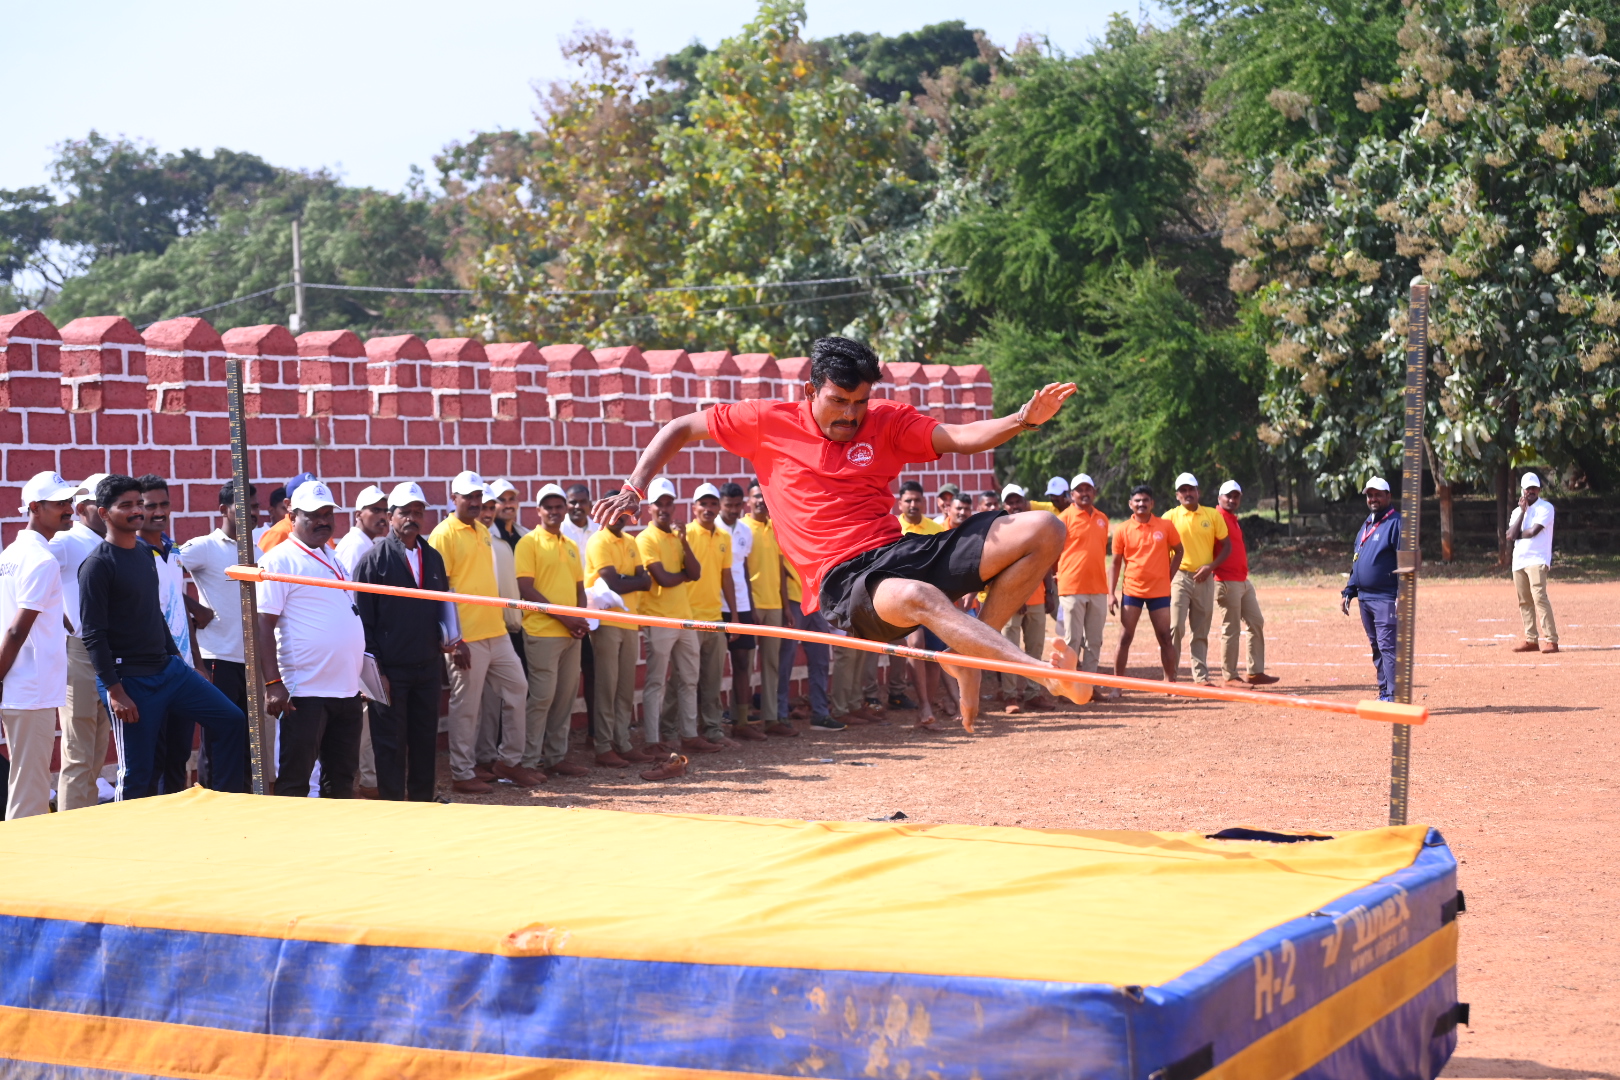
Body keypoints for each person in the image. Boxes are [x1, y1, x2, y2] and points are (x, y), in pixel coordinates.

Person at [595, 335, 1084, 732]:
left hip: (902, 550)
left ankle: (966, 654)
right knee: (919, 596)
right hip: (846, 581)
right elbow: (679, 427)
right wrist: (633, 489)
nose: (851, 415)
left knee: (1044, 527)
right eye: (839, 401)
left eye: (860, 402)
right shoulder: (767, 422)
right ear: (810, 392)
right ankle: (1041, 673)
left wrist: (1022, 420)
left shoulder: (886, 421)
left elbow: (960, 438)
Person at [81, 475, 246, 800]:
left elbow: (155, 616)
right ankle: (129, 842)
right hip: (129, 680)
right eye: (125, 505)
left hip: (168, 670)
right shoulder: (97, 565)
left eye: (138, 503)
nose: (137, 510)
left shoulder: (145, 555)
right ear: (104, 513)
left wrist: (182, 663)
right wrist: (115, 691)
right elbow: (93, 635)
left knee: (231, 720)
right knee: (137, 775)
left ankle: (227, 809)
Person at [255, 480, 368, 798]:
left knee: (342, 779)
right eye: (314, 515)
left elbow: (348, 616)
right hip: (304, 690)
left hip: (346, 689)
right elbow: (264, 625)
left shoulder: (333, 556)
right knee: (295, 779)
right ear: (293, 515)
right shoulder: (279, 560)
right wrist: (272, 683)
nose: (323, 520)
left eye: (328, 513)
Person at [355, 482, 466, 801]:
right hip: (391, 671)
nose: (412, 518)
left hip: (428, 666)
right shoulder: (373, 561)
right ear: (391, 516)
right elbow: (364, 621)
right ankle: (393, 806)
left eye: (418, 512)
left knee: (424, 738)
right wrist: (377, 674)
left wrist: (450, 638)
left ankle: (422, 801)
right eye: (405, 512)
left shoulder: (432, 558)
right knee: (389, 742)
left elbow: (443, 606)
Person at [429, 470, 535, 793]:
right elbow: (439, 591)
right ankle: (462, 773)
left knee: (518, 687)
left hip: (496, 630)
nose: (476, 503)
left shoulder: (483, 531)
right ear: (454, 498)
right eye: (470, 498)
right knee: (466, 707)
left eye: (480, 498)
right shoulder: (443, 535)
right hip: (466, 638)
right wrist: (453, 639)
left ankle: (508, 762)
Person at [0, 472, 77, 818]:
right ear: (34, 507)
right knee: (29, 794)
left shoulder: (11, 554)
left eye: (68, 501)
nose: (68, 509)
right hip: (29, 688)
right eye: (59, 503)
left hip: (21, 686)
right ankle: (21, 867)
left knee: (24, 782)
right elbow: (16, 631)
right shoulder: (41, 560)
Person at [177, 479, 261, 792]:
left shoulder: (258, 549)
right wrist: (195, 608)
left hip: (250, 661)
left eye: (256, 507)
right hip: (216, 658)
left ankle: (242, 805)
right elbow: (160, 573)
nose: (253, 513)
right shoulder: (204, 547)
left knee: (247, 742)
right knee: (218, 740)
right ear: (223, 509)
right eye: (245, 506)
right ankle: (214, 804)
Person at [139, 474, 211, 794]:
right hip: (151, 672)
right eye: (149, 505)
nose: (158, 511)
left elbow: (178, 613)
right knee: (151, 759)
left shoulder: (172, 548)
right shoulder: (133, 553)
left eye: (164, 504)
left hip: (182, 671)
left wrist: (198, 663)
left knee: (179, 756)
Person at [514, 484, 590, 777]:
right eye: (549, 507)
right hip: (542, 632)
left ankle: (556, 757)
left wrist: (580, 618)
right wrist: (566, 618)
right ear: (539, 511)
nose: (555, 512)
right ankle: (529, 761)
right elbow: (525, 588)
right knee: (542, 698)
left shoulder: (570, 545)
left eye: (559, 507)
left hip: (572, 634)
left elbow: (579, 588)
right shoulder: (528, 543)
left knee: (565, 698)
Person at [635, 478, 714, 755]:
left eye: (669, 503)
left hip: (684, 617)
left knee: (689, 679)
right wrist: (682, 576)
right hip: (658, 619)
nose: (665, 509)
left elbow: (696, 573)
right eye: (660, 504)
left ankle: (689, 734)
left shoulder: (676, 536)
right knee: (656, 681)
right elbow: (664, 579)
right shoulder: (644, 538)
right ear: (650, 508)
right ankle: (652, 740)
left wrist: (683, 541)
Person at [51, 473, 112, 811]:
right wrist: (59, 620)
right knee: (78, 752)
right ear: (87, 508)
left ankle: (87, 827)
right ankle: (71, 830)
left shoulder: (109, 543)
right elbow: (26, 582)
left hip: (108, 652)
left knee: (96, 750)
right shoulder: (66, 543)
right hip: (79, 651)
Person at [583, 490, 656, 767]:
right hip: (607, 622)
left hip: (629, 620)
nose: (619, 516)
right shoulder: (598, 540)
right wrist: (629, 580)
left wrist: (627, 580)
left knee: (626, 685)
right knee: (607, 684)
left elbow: (646, 581)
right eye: (613, 510)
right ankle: (603, 745)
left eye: (623, 511)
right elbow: (614, 583)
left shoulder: (631, 541)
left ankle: (622, 741)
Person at [1108, 485, 1184, 696]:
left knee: (1165, 638)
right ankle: (1117, 685)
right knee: (1125, 637)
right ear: (1130, 504)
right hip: (1132, 591)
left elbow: (1179, 551)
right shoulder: (1122, 529)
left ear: (1152, 504)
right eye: (1137, 501)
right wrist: (1111, 593)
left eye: (1146, 500)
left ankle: (1170, 683)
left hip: (1159, 592)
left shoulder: (1166, 526)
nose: (1142, 504)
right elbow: (1114, 564)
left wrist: (1169, 575)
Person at [682, 482, 739, 748]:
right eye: (703, 504)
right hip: (688, 619)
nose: (708, 508)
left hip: (715, 618)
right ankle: (678, 731)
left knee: (713, 678)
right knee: (685, 681)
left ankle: (713, 729)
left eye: (712, 504)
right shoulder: (684, 534)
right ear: (694, 508)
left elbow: (726, 578)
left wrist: (734, 618)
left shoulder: (724, 537)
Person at [477, 483, 527, 776]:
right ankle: (482, 759)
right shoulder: (478, 539)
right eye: (482, 505)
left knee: (513, 691)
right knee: (484, 701)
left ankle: (506, 761)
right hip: (478, 630)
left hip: (509, 626)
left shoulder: (511, 540)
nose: (489, 511)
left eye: (489, 506)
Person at [994, 484, 1058, 713]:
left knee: (1035, 649)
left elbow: (1047, 562)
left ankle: (1033, 693)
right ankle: (1010, 696)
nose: (1015, 506)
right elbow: (998, 570)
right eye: (1010, 502)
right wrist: (1015, 596)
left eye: (1018, 501)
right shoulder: (999, 532)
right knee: (1009, 649)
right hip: (1010, 602)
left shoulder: (1036, 527)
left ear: (1025, 502)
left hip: (1038, 598)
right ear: (1004, 506)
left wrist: (1049, 592)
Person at [1163, 473, 1230, 687]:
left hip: (1205, 578)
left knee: (1200, 629)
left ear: (1198, 491)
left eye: (1191, 489)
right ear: (1177, 495)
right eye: (1183, 490)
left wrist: (1211, 567)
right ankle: (1171, 676)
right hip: (1179, 576)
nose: (1187, 493)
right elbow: (1161, 549)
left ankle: (1201, 677)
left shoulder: (1211, 515)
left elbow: (1227, 545)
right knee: (1175, 627)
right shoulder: (1169, 518)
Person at [1212, 480, 1278, 687]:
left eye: (1236, 496)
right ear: (1219, 498)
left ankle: (1255, 671)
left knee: (1256, 621)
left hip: (1243, 580)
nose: (1232, 500)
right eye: (1228, 496)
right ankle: (1230, 676)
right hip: (1225, 581)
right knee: (1231, 629)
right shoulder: (1215, 519)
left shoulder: (1232, 519)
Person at [1341, 477, 1402, 702]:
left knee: (1388, 647)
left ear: (1388, 496)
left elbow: (1406, 562)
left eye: (1377, 494)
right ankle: (1385, 692)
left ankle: (1396, 696)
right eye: (1369, 495)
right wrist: (1349, 590)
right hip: (1365, 598)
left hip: (1386, 597)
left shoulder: (1396, 523)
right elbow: (1357, 560)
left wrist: (1402, 595)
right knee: (1377, 647)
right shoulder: (1368, 523)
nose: (1373, 499)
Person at [745, 482, 796, 737]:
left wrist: (786, 607)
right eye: (756, 497)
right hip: (751, 607)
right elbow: (739, 571)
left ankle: (771, 717)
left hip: (775, 606)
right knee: (745, 663)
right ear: (748, 500)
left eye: (764, 497)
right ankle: (741, 720)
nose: (761, 502)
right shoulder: (743, 528)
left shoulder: (774, 527)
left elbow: (779, 571)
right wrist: (750, 606)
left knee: (771, 664)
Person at [717, 482, 761, 738]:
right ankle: (711, 723)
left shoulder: (745, 531)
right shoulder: (712, 529)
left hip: (742, 605)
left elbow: (742, 569)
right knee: (710, 667)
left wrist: (751, 606)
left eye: (737, 505)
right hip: (716, 606)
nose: (733, 510)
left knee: (744, 663)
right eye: (728, 505)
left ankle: (741, 722)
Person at [1057, 473, 1110, 675]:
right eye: (1080, 490)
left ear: (1094, 492)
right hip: (1072, 587)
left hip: (1098, 587)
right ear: (1072, 494)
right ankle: (1067, 684)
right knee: (1072, 641)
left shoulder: (1102, 519)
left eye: (1088, 489)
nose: (1084, 493)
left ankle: (1089, 684)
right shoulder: (1063, 519)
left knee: (1094, 641)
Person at [561, 483, 601, 739]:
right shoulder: (559, 530)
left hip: (597, 613)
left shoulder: (599, 530)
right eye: (572, 502)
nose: (577, 507)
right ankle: (557, 741)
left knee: (594, 673)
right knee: (565, 680)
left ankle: (595, 732)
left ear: (590, 503)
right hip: (566, 614)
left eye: (581, 502)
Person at [1507, 472, 1558, 654]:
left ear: (1539, 489)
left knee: (1539, 598)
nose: (1531, 491)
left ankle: (1551, 640)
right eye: (1528, 488)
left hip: (1537, 559)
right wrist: (1522, 511)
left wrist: (1518, 534)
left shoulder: (1546, 508)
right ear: (1522, 491)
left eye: (1534, 488)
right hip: (1519, 560)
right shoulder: (1516, 512)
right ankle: (1531, 640)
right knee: (1524, 601)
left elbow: (1533, 532)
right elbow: (1511, 535)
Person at [334, 485, 388, 577]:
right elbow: (350, 589)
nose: (383, 516)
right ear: (358, 515)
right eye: (376, 510)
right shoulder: (355, 546)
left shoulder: (361, 542)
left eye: (385, 511)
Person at [258, 472, 316, 553]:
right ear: (289, 504)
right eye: (304, 497)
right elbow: (261, 564)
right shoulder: (277, 533)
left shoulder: (322, 528)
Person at [490, 479, 528, 550]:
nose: (508, 505)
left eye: (511, 499)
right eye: (501, 500)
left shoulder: (526, 535)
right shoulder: (486, 535)